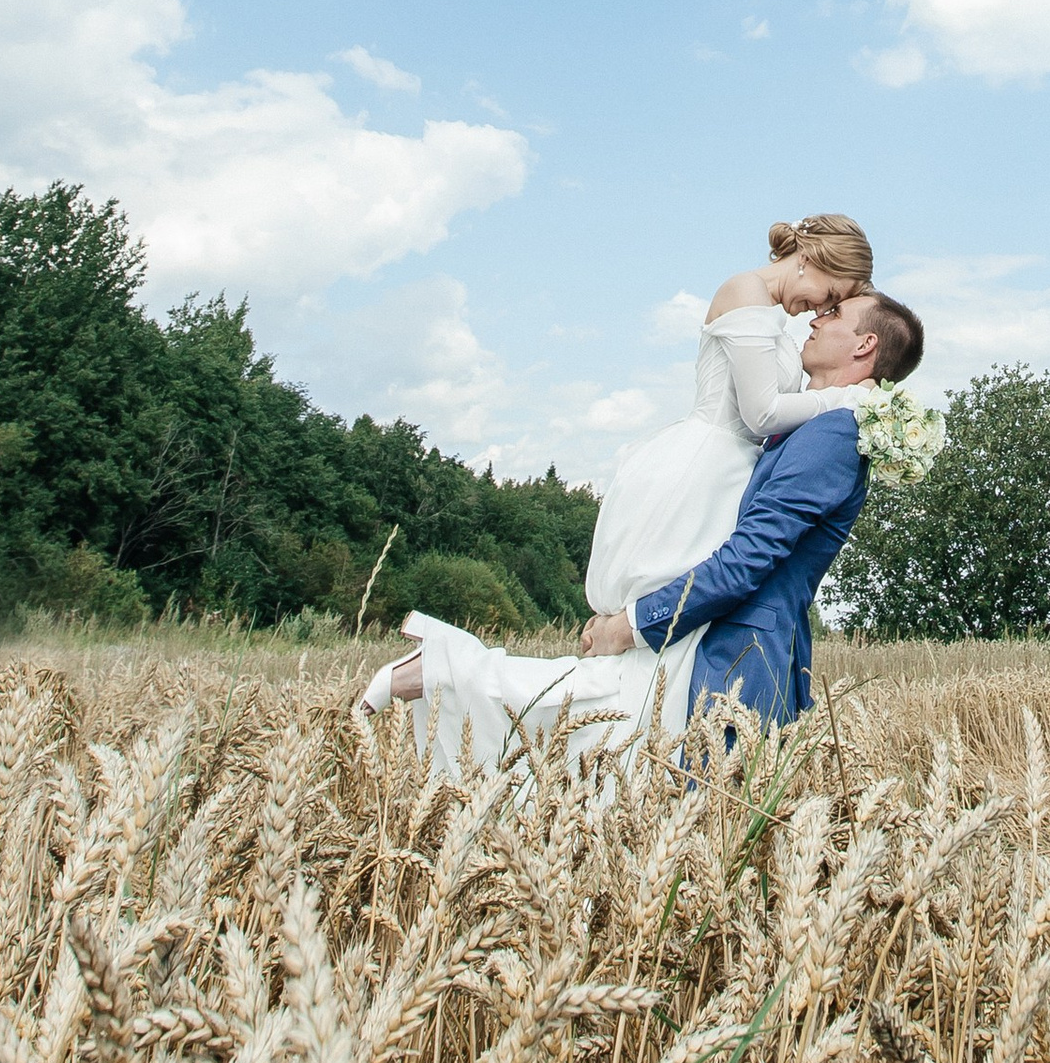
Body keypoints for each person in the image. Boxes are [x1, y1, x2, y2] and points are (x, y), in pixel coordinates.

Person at [352, 216, 879, 773]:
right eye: (831, 295)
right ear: (816, 261)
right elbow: (762, 412)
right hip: (699, 472)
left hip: (725, 479)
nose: (819, 311)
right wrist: (849, 401)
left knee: (657, 666)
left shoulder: (774, 318)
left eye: (834, 307)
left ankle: (453, 676)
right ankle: (449, 674)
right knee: (652, 645)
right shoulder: (744, 290)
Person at [581, 284, 924, 729]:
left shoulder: (835, 435)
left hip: (737, 663)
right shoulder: (808, 425)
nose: (815, 319)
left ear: (865, 344)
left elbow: (748, 557)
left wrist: (631, 626)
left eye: (834, 314)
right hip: (711, 645)